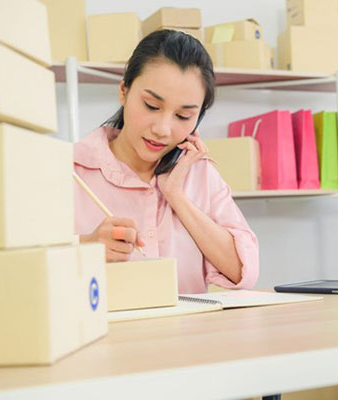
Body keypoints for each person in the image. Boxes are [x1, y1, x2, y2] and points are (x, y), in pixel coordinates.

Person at [73, 30, 259, 294]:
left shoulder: (200, 174)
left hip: (185, 335)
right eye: (151, 105)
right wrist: (87, 248)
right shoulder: (71, 169)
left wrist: (177, 197)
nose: (163, 129)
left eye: (183, 116)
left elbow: (243, 271)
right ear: (124, 91)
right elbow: (24, 267)